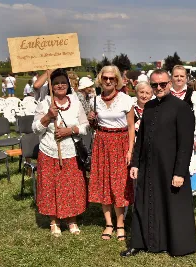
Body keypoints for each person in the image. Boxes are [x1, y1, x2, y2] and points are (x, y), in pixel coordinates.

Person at [121, 69, 196, 257]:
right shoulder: (149, 106)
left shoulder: (182, 108)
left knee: (171, 205)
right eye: (155, 85)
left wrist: (179, 172)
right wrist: (136, 163)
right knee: (144, 203)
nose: (159, 88)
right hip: (148, 167)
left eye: (163, 84)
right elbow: (142, 138)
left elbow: (186, 144)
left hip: (170, 167)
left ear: (170, 83)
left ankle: (175, 244)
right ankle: (139, 242)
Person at [32, 68, 89, 237]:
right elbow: (35, 129)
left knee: (71, 186)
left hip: (71, 152)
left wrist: (70, 130)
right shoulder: (45, 103)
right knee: (50, 186)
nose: (60, 85)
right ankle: (54, 221)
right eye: (56, 83)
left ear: (68, 84)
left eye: (63, 82)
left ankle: (72, 220)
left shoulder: (75, 102)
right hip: (49, 151)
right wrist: (47, 117)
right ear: (51, 86)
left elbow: (85, 127)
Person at [87, 65, 135, 241]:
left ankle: (121, 224)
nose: (108, 81)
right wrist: (92, 120)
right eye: (105, 78)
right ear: (100, 79)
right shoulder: (95, 99)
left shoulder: (125, 99)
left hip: (120, 143)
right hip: (101, 143)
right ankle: (108, 224)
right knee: (103, 184)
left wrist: (130, 150)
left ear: (117, 80)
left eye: (111, 78)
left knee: (119, 184)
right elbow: (94, 126)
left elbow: (131, 127)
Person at [170, 65, 196, 194]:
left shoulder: (192, 94)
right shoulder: (166, 92)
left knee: (186, 165)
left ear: (186, 78)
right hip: (168, 137)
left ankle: (185, 193)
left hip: (187, 137)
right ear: (171, 77)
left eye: (182, 76)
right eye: (176, 76)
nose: (179, 79)